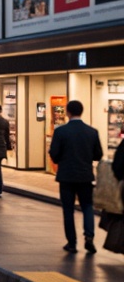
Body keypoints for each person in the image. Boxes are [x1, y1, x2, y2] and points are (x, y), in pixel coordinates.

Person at [48, 100, 103, 254]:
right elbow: (98, 155)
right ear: (81, 112)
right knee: (87, 207)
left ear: (68, 112)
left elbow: (55, 154)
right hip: (85, 176)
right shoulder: (92, 132)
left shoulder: (61, 131)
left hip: (66, 176)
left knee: (68, 210)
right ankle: (89, 237)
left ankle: (72, 243)